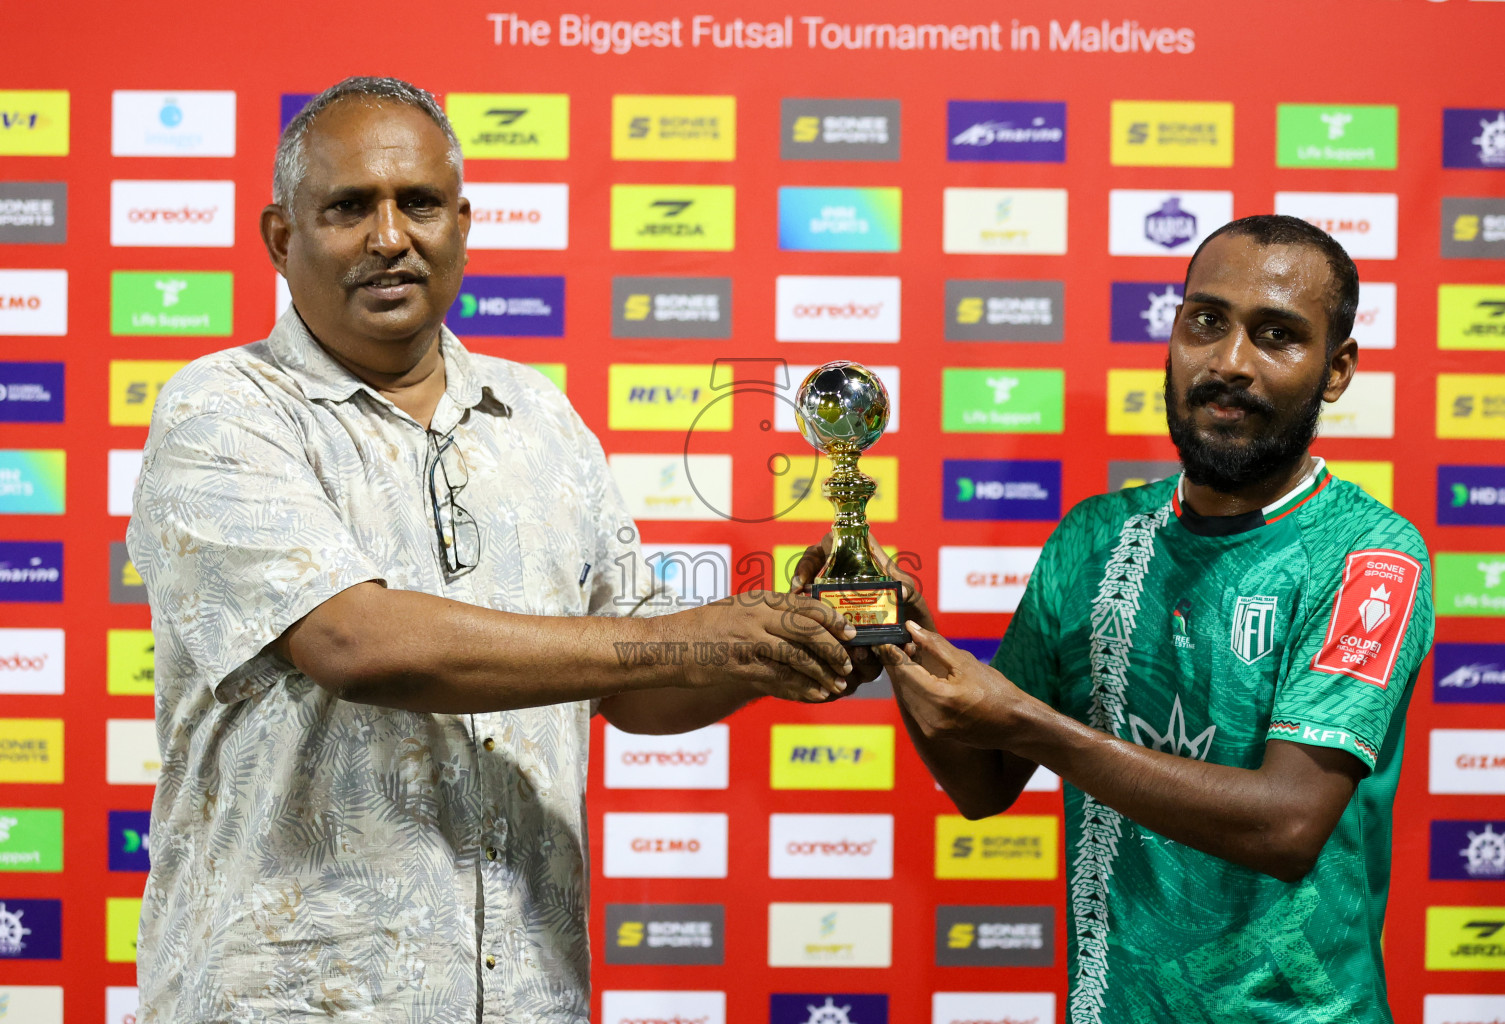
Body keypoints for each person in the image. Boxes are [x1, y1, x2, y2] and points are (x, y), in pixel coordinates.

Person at [126, 76, 864, 1023]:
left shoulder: (541, 418)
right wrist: (696, 637)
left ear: (462, 223)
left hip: (527, 996)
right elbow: (357, 643)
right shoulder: (224, 409)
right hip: (295, 998)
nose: (389, 237)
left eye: (418, 204)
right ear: (281, 236)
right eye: (350, 207)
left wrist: (785, 643)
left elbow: (633, 684)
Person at [804, 215, 1433, 1024]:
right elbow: (983, 780)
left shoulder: (1369, 554)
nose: (1229, 362)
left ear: (1336, 370)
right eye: (1205, 321)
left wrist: (1034, 724)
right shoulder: (1092, 537)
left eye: (1276, 336)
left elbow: (1287, 823)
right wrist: (895, 631)